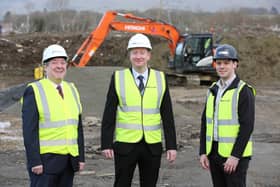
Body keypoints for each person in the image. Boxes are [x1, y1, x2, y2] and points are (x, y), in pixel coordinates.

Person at [101, 33, 177, 187]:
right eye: (135, 52)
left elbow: (167, 115)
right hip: (125, 145)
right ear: (130, 55)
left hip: (152, 146)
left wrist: (171, 145)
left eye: (142, 52)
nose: (138, 56)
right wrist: (106, 143)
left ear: (149, 55)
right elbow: (109, 113)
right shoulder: (118, 77)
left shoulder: (160, 78)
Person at [22, 44, 85, 187]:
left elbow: (77, 127)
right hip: (45, 163)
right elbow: (29, 131)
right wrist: (34, 161)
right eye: (54, 62)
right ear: (45, 67)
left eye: (63, 62)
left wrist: (80, 157)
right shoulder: (34, 90)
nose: (59, 66)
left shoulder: (72, 89)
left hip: (69, 161)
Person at [199, 44, 255, 187]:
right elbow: (205, 122)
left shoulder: (243, 91)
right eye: (219, 63)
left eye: (226, 63)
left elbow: (247, 126)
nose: (222, 66)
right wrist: (203, 151)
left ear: (235, 64)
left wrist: (235, 156)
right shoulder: (213, 90)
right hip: (214, 153)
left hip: (235, 157)